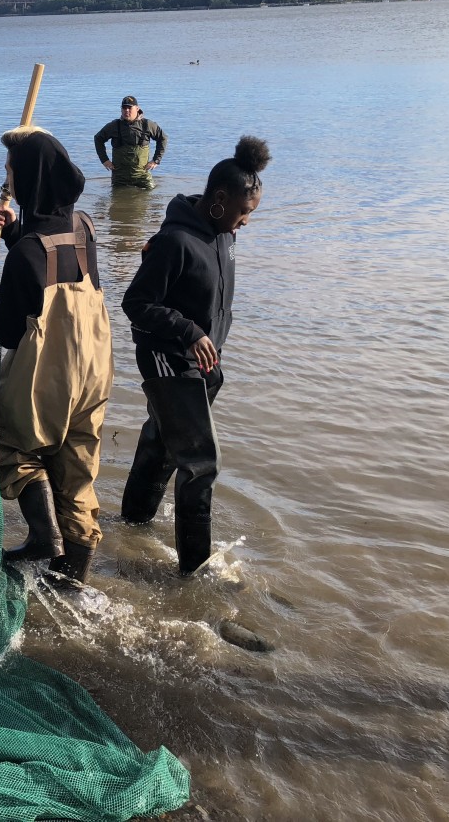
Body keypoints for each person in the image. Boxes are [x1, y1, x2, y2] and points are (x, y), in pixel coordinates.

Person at [119, 136, 271, 577]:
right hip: (170, 360)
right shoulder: (175, 241)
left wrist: (210, 344)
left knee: (161, 445)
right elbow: (137, 303)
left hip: (204, 363)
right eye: (244, 214)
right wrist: (188, 333)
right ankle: (196, 573)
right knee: (201, 463)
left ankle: (131, 525)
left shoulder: (223, 236)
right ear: (219, 201)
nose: (245, 224)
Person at [0, 126, 114, 586]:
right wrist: (13, 231)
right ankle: (73, 581)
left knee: (15, 447)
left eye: (11, 170)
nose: (7, 179)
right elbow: (55, 257)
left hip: (50, 371)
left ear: (30, 178)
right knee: (78, 468)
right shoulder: (85, 228)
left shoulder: (24, 255)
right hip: (96, 367)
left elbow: (6, 333)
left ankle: (44, 539)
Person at [93, 95, 167, 190]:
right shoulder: (114, 126)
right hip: (119, 177)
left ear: (137, 109)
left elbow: (163, 138)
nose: (126, 110)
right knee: (116, 201)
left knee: (152, 198)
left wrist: (156, 160)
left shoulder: (147, 125)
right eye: (124, 108)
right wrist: (104, 160)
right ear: (121, 110)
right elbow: (98, 139)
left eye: (129, 107)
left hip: (142, 176)